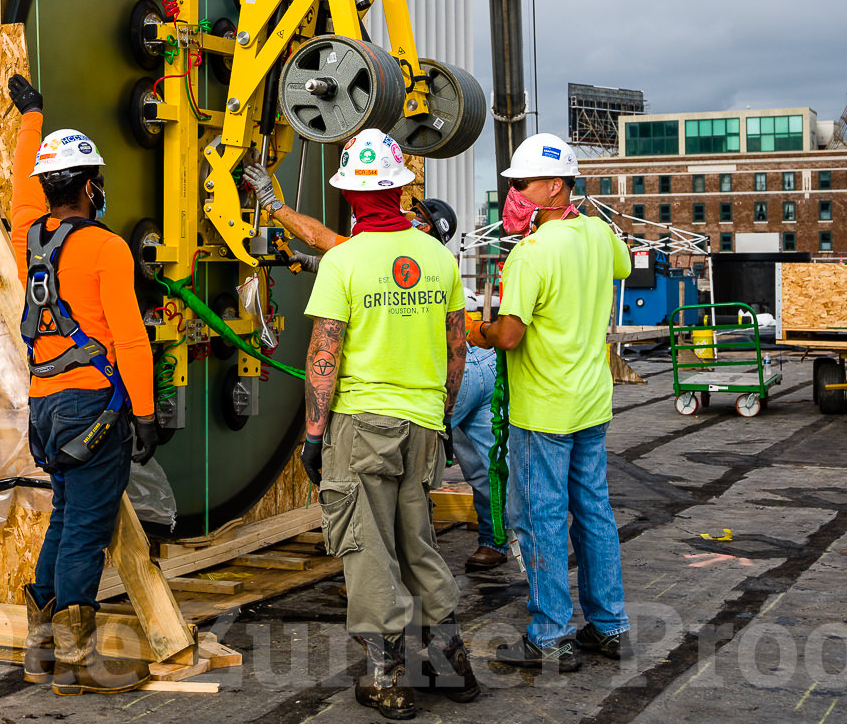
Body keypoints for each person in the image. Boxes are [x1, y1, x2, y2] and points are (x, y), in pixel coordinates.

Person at [243, 161, 508, 573]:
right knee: (475, 469)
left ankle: (379, 587)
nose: (411, 215)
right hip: (464, 370)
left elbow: (329, 245)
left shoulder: (394, 243)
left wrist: (274, 205)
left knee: (373, 508)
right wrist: (444, 420)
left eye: (419, 214)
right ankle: (492, 543)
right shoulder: (435, 257)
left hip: (410, 390)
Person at [298, 129, 479, 719]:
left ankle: (385, 676)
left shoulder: (343, 262)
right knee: (416, 540)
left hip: (361, 424)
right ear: (402, 189)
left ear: (350, 196)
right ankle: (450, 658)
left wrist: (314, 433)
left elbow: (324, 354)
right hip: (423, 422)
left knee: (367, 546)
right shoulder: (435, 257)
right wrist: (443, 415)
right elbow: (456, 351)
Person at [5, 74, 157, 696]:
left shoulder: (25, 238)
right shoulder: (107, 248)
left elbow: (21, 187)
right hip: (93, 409)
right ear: (91, 185)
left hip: (42, 406)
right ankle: (74, 660)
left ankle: (40, 651)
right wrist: (145, 413)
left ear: (49, 189)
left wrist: (31, 116)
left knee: (66, 517)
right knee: (87, 529)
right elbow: (129, 339)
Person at [470, 132, 633, 672]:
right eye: (514, 184)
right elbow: (622, 268)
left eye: (524, 184)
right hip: (591, 399)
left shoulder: (532, 254)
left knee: (540, 516)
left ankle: (550, 635)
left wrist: (477, 330)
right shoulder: (598, 233)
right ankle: (609, 627)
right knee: (593, 511)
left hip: (544, 408)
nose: (515, 192)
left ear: (557, 185)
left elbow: (511, 336)